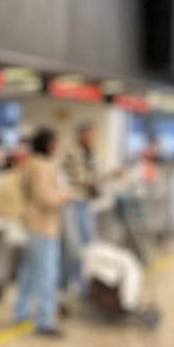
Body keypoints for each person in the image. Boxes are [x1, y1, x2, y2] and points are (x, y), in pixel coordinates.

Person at [13, 127, 68, 336]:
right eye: (55, 143)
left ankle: (20, 311)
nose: (57, 147)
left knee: (29, 272)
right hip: (44, 227)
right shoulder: (42, 166)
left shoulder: (32, 164)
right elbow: (44, 197)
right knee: (46, 274)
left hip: (34, 225)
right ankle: (45, 319)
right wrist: (62, 197)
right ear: (48, 144)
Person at [61, 121, 99, 296]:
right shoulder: (74, 152)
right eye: (89, 133)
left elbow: (91, 177)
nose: (92, 137)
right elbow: (83, 179)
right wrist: (108, 175)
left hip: (84, 202)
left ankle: (83, 286)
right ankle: (65, 285)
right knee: (73, 246)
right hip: (73, 203)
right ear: (81, 134)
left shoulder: (88, 152)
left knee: (87, 244)